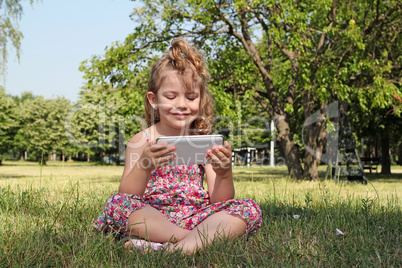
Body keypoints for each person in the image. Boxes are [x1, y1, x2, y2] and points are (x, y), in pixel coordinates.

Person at [93, 38, 262, 254]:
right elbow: (127, 195)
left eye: (191, 97)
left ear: (200, 101)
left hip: (196, 216)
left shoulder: (205, 141)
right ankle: (192, 242)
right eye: (171, 96)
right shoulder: (140, 141)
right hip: (153, 218)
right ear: (154, 100)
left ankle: (169, 249)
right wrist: (144, 165)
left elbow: (221, 200)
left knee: (248, 208)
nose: (181, 105)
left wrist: (224, 172)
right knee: (116, 204)